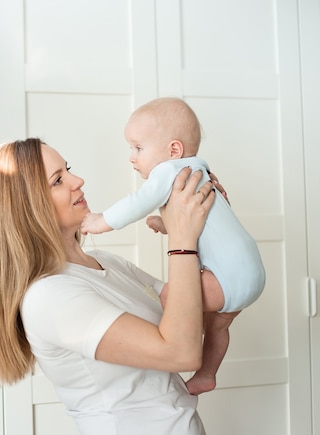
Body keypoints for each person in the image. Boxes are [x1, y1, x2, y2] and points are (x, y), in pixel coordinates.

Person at [0, 138, 217, 435]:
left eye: (68, 169)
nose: (78, 180)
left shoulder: (105, 262)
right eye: (58, 180)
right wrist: (182, 238)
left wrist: (213, 222)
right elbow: (181, 352)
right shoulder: (48, 296)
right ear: (27, 208)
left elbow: (191, 311)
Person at [81, 97, 265, 394]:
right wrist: (167, 225)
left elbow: (138, 202)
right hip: (249, 270)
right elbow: (204, 225)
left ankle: (180, 339)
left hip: (226, 276)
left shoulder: (170, 170)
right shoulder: (198, 173)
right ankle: (207, 374)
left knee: (172, 295)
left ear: (173, 150)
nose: (131, 157)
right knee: (218, 326)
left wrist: (103, 221)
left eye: (138, 148)